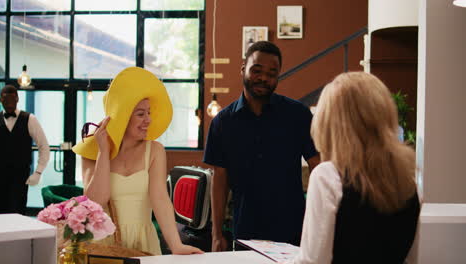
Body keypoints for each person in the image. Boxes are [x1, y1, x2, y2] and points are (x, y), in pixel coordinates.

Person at [287, 72, 420, 264]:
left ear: (329, 122)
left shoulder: (328, 177)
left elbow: (312, 261)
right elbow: (409, 259)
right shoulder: (408, 183)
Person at [72, 67, 203, 256]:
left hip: (144, 240)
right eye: (141, 114)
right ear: (122, 116)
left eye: (149, 112)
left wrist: (176, 245)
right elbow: (96, 201)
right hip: (103, 244)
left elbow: (160, 199)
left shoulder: (155, 150)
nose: (148, 120)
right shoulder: (91, 149)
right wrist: (103, 152)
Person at [204, 41, 320, 251]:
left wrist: (318, 223)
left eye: (271, 73)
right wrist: (216, 234)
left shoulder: (298, 115)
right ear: (243, 69)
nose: (264, 78)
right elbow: (219, 180)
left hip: (294, 230)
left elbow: (318, 167)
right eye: (256, 70)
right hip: (245, 230)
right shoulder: (222, 123)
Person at [0, 84, 50, 214]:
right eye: (5, 99)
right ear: (0, 100)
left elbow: (43, 146)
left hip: (20, 175)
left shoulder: (29, 119)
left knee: (17, 211)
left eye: (12, 98)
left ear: (17, 99)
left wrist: (38, 172)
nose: (9, 102)